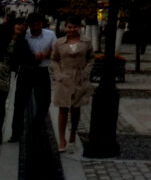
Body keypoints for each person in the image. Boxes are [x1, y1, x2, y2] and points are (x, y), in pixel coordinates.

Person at [9, 12, 56, 141]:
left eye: (38, 25)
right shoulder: (24, 35)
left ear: (42, 24)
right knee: (19, 104)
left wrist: (46, 54)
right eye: (33, 25)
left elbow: (56, 51)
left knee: (45, 102)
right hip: (26, 71)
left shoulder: (50, 35)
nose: (36, 28)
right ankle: (16, 133)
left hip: (42, 72)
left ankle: (35, 128)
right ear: (29, 25)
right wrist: (40, 55)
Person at [51, 18, 94, 152]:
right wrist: (58, 75)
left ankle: (72, 136)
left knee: (76, 109)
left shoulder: (86, 42)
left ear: (79, 28)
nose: (71, 30)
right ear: (65, 28)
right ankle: (62, 139)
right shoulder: (59, 43)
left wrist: (86, 72)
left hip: (79, 78)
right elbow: (54, 60)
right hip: (64, 79)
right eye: (69, 27)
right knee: (63, 109)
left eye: (74, 27)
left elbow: (91, 58)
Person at [0, 15, 24, 141]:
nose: (20, 26)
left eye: (22, 25)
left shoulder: (22, 42)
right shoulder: (3, 35)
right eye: (18, 24)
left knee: (1, 103)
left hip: (5, 75)